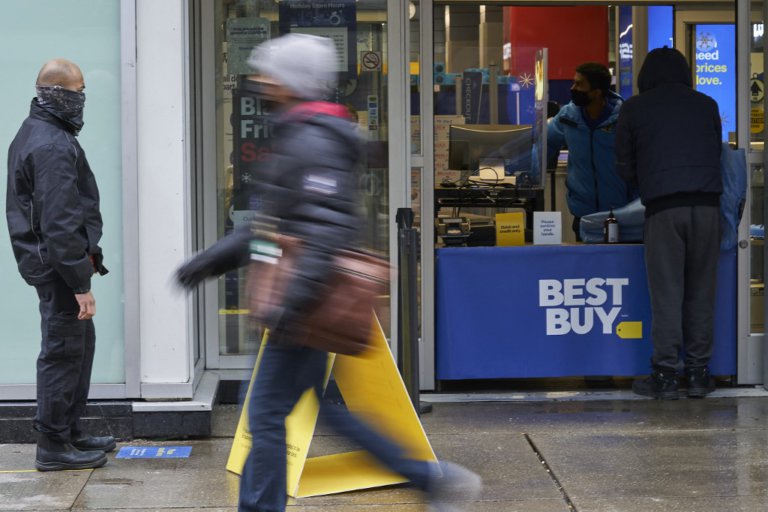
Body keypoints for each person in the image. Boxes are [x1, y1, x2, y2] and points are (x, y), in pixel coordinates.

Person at [175, 34, 481, 512]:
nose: (260, 82)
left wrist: (289, 306)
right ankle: (429, 479)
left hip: (303, 308)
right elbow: (270, 228)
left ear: (293, 82)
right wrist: (211, 261)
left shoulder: (314, 140)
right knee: (319, 410)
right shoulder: (302, 133)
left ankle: (264, 507)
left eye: (270, 74)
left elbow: (324, 231)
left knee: (268, 414)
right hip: (302, 304)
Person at [6, 59, 113, 470]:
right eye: (78, 91)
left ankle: (69, 431)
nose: (82, 99)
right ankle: (53, 446)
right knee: (63, 351)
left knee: (79, 348)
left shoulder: (46, 132)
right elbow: (60, 220)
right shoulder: (50, 143)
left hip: (59, 265)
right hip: (58, 269)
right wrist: (80, 282)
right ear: (58, 94)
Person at [615, 47, 722, 400]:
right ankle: (697, 374)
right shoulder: (706, 104)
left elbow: (625, 167)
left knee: (667, 295)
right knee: (701, 293)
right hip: (707, 208)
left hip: (664, 211)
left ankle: (664, 376)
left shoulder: (634, 108)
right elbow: (716, 153)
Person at [546, 62, 636, 239]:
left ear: (596, 92)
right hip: (583, 214)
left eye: (579, 84)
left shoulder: (623, 119)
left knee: (618, 265)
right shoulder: (568, 116)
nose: (573, 88)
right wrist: (530, 175)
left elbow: (639, 159)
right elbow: (546, 145)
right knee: (585, 265)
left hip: (620, 213)